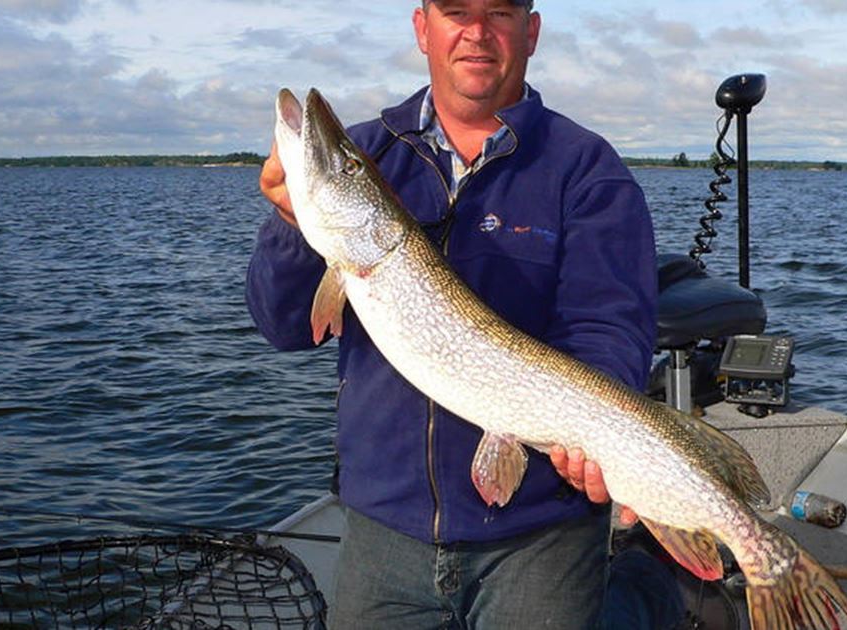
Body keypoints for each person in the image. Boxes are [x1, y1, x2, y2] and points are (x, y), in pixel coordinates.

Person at [246, 0, 661, 627]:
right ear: (423, 28)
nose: (477, 33)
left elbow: (608, 325)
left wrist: (591, 433)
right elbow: (282, 326)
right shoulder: (370, 150)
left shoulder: (586, 169)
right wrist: (292, 222)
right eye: (457, 11)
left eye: (499, 13)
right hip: (383, 528)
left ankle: (659, 585)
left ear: (531, 31)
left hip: (540, 533)